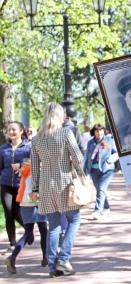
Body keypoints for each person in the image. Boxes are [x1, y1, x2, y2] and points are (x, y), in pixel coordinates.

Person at [30, 102, 84, 278]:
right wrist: (80, 173)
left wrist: (36, 187)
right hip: (65, 184)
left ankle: (53, 267)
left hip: (45, 186)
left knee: (53, 226)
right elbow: (78, 158)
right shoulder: (65, 132)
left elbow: (34, 167)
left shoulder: (37, 138)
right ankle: (64, 258)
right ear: (60, 116)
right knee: (74, 221)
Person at [5, 158, 48, 274]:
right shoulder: (44, 169)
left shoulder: (27, 167)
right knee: (43, 229)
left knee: (28, 232)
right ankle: (45, 257)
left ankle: (12, 257)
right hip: (38, 201)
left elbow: (23, 168)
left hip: (25, 202)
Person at [0, 121, 30, 254]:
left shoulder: (28, 147)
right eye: (9, 130)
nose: (11, 132)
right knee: (8, 213)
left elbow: (33, 162)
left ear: (21, 131)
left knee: (18, 213)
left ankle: (29, 232)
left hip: (21, 185)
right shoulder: (3, 149)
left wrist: (21, 164)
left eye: (14, 129)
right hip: (6, 184)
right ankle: (12, 243)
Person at [84, 123, 118, 220]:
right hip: (93, 171)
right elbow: (87, 157)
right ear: (94, 132)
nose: (99, 133)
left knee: (101, 189)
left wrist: (109, 160)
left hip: (107, 170)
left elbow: (116, 153)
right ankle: (106, 207)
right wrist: (85, 171)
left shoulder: (109, 140)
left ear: (104, 131)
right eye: (97, 131)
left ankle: (97, 211)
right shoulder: (90, 143)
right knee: (100, 189)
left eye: (101, 130)